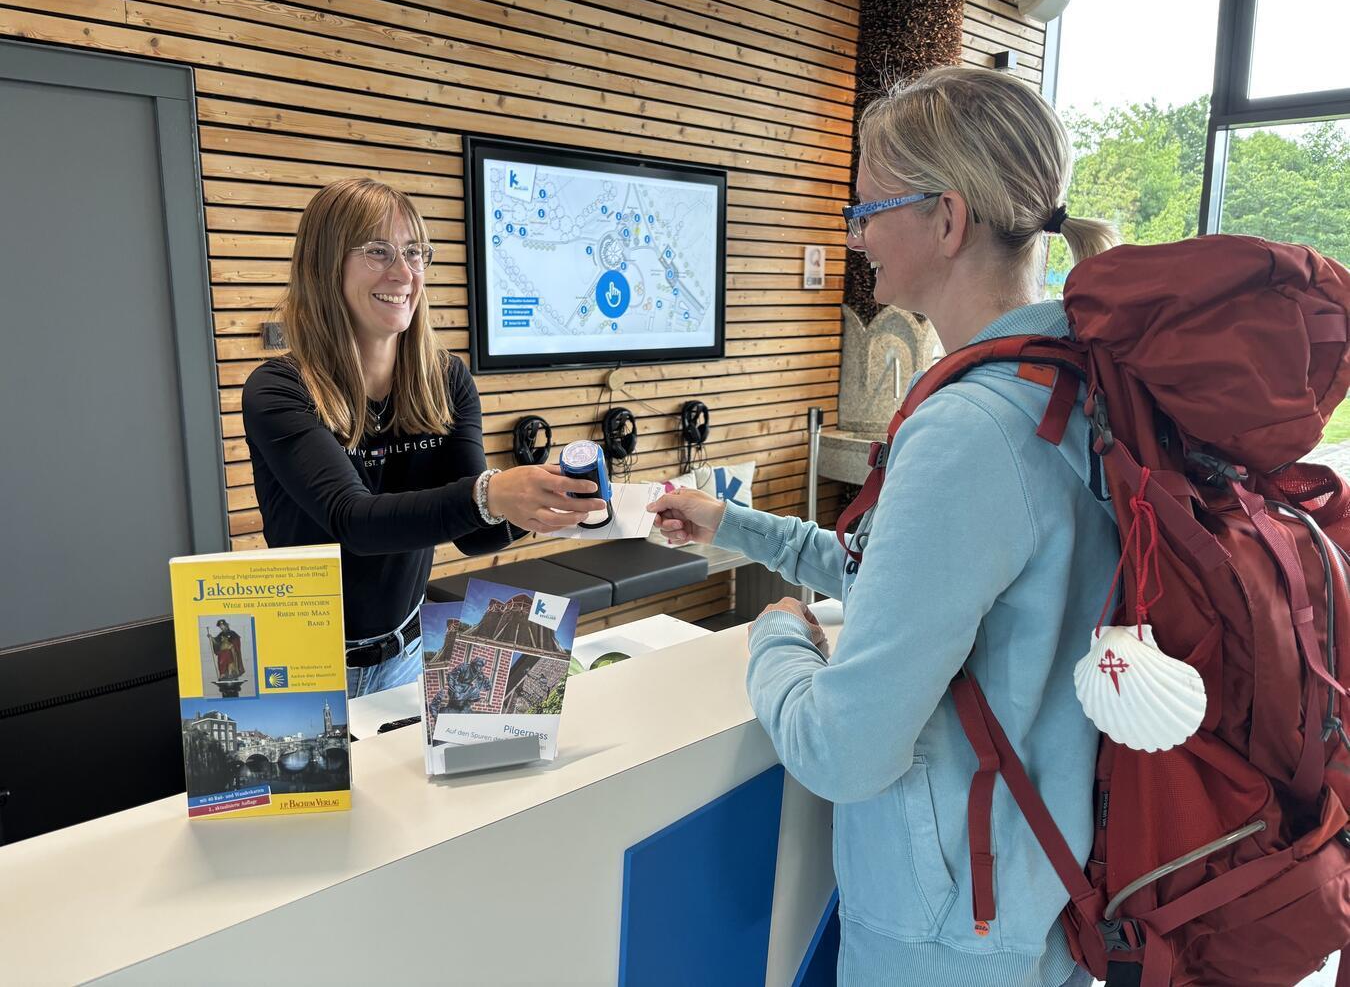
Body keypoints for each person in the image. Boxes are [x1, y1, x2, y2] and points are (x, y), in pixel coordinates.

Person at [649, 66, 1121, 987]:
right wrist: (734, 526)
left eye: (867, 210)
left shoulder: (969, 428)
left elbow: (844, 748)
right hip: (1039, 897)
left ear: (947, 220)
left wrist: (776, 638)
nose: (855, 236)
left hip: (946, 938)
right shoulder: (1068, 384)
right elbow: (904, 573)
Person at [243, 178, 605, 700]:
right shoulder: (279, 390)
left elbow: (474, 534)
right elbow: (354, 521)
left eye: (414, 253)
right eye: (377, 251)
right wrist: (495, 493)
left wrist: (548, 505)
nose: (403, 273)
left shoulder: (445, 380)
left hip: (407, 654)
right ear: (325, 266)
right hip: (302, 669)